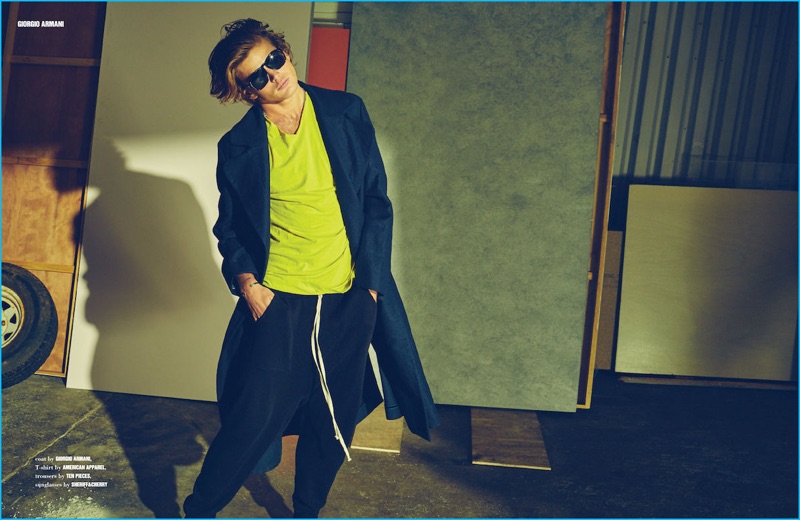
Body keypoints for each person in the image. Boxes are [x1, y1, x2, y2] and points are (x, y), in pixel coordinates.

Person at [183, 18, 439, 518]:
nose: (274, 74)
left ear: (284, 50)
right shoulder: (238, 146)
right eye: (257, 75)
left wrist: (369, 288)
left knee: (334, 421)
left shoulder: (345, 112)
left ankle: (306, 511)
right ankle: (198, 510)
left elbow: (376, 202)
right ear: (245, 92)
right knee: (252, 420)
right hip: (279, 301)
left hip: (348, 298)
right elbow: (229, 228)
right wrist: (248, 284)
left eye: (274, 59)